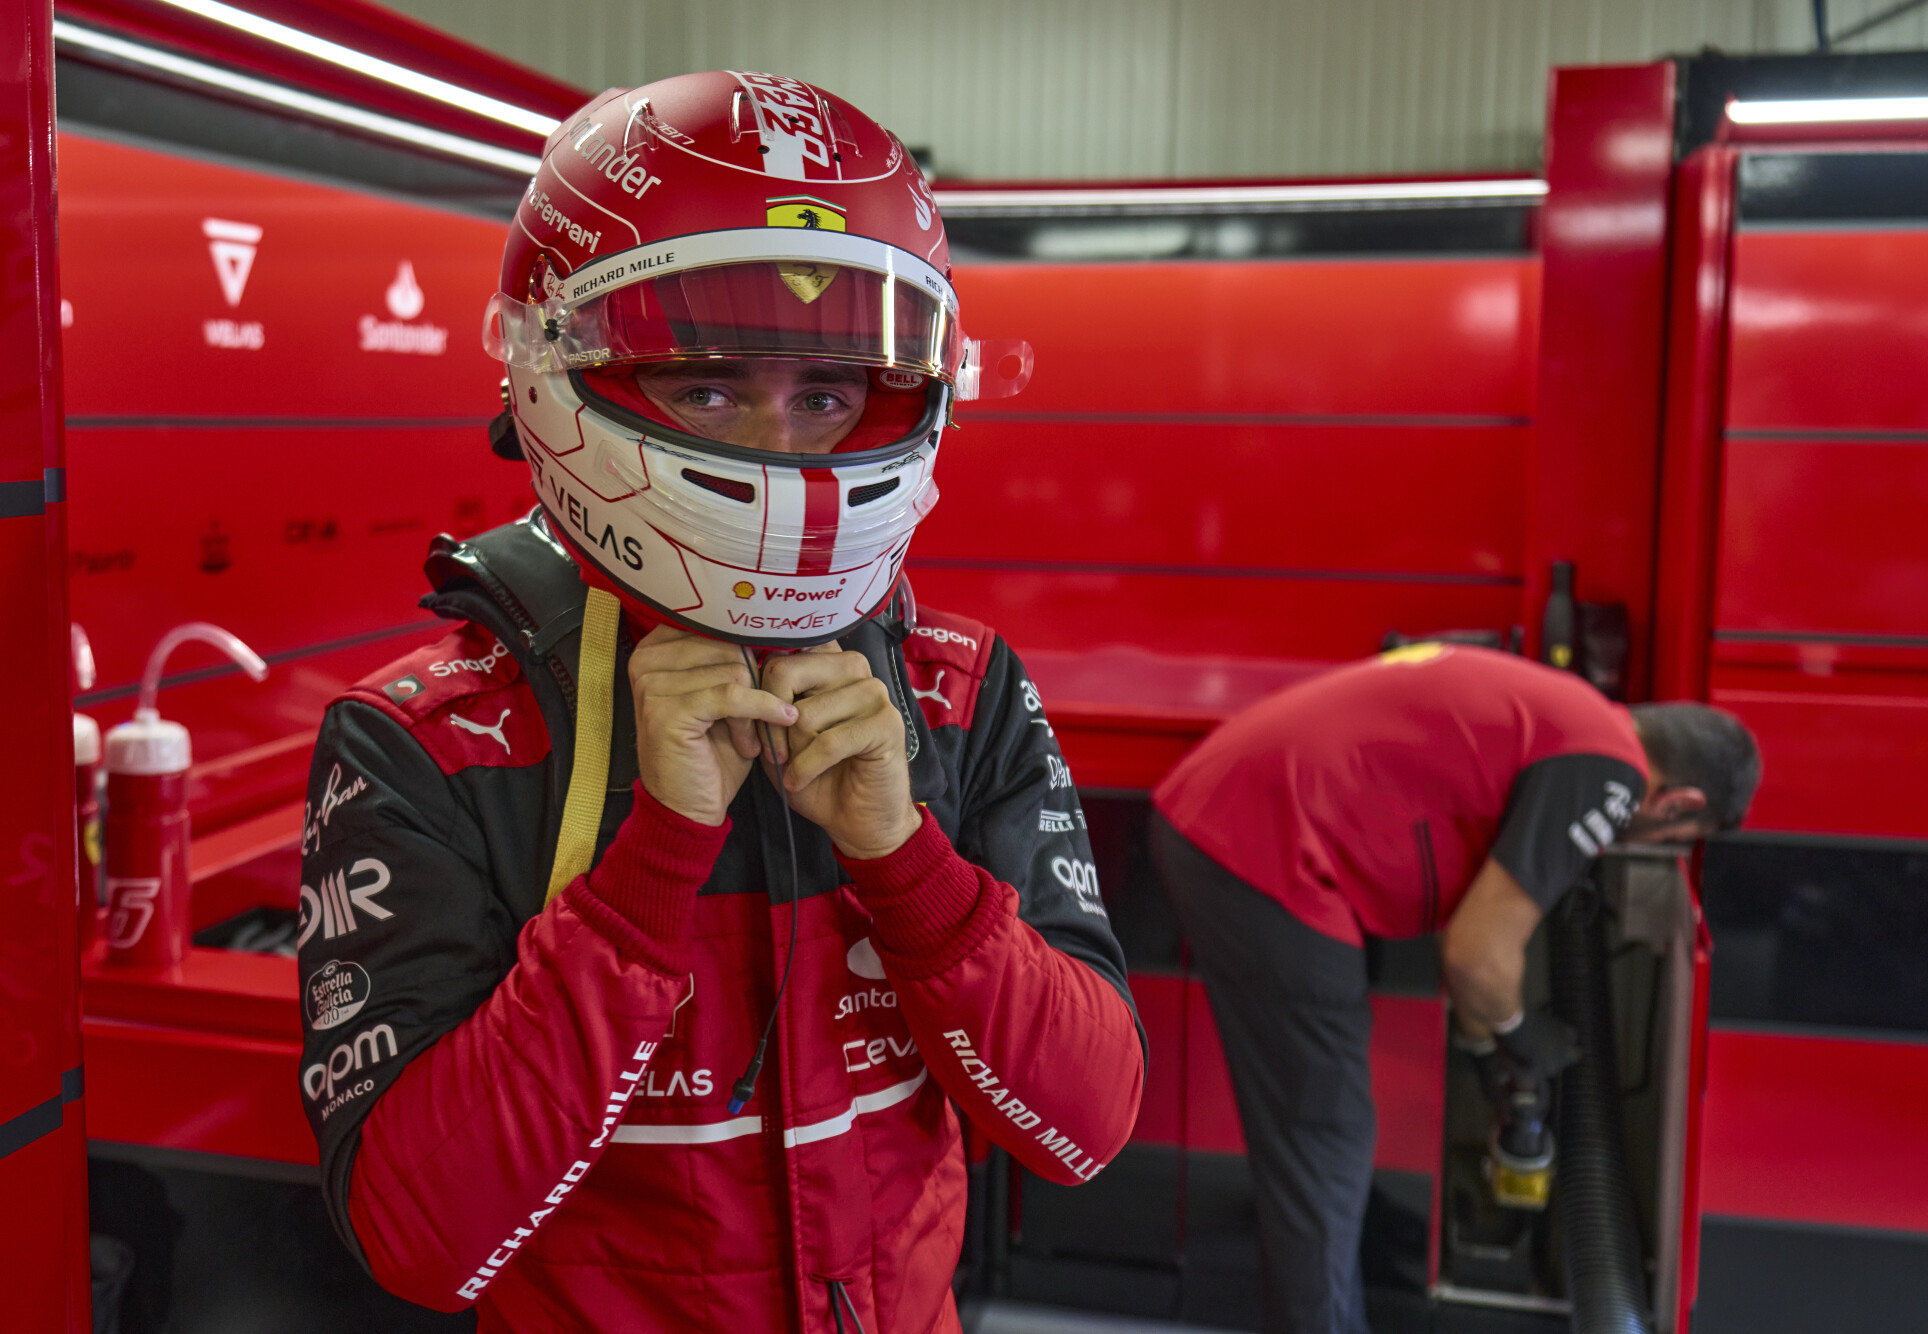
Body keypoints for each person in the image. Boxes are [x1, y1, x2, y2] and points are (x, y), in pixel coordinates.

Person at [295, 72, 1144, 1332]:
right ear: (552, 367)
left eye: (827, 394)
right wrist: (648, 871)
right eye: (704, 387)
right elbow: (422, 1241)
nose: (783, 450)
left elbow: (1085, 1125)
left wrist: (905, 864)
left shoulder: (955, 692)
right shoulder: (428, 738)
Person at [1148, 643, 1759, 1334]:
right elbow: (1477, 955)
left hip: (1240, 820)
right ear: (1678, 804)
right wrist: (1516, 1033)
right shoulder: (1608, 772)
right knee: (1324, 1134)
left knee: (1323, 1127)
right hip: (1255, 848)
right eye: (1674, 835)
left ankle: (1336, 1263)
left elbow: (1470, 932)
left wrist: (1490, 1031)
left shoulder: (1573, 719)